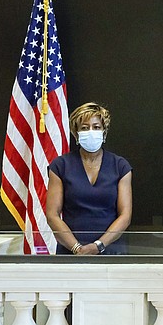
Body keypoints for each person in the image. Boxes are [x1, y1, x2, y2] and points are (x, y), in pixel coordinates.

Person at [46, 102, 132, 255]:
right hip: (70, 251)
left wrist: (98, 245)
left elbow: (125, 215)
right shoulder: (60, 166)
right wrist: (77, 248)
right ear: (76, 133)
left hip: (110, 249)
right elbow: (52, 215)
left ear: (104, 132)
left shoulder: (120, 166)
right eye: (85, 128)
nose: (91, 132)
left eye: (96, 127)